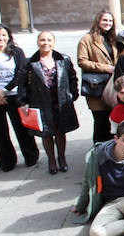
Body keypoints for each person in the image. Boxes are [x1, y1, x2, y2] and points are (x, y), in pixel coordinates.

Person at [0, 23, 39, 171]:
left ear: (9, 37)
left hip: (13, 94)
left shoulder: (17, 52)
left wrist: (4, 90)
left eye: (4, 35)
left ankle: (31, 156)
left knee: (21, 127)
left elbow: (21, 74)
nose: (0, 38)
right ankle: (6, 161)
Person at [17, 30, 78, 174]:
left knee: (60, 131)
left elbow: (72, 77)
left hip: (60, 101)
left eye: (49, 40)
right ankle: (51, 159)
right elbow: (22, 84)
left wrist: (72, 95)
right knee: (46, 132)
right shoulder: (29, 62)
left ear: (54, 42)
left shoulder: (64, 59)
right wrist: (23, 102)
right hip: (41, 102)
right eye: (42, 40)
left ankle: (62, 157)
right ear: (38, 42)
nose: (46, 43)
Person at [78, 10, 124, 143]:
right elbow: (82, 61)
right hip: (96, 86)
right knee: (100, 122)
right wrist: (106, 68)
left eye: (110, 21)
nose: (108, 23)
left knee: (113, 122)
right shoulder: (87, 39)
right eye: (105, 20)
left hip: (112, 86)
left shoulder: (114, 39)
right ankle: (98, 152)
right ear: (98, 21)